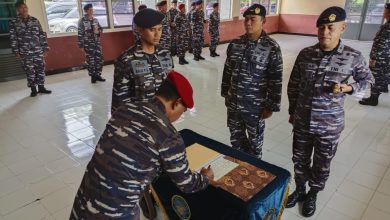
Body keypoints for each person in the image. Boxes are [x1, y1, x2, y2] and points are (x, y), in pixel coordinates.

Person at [70, 71, 214, 220]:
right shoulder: (169, 136)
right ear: (176, 103)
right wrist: (205, 178)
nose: (179, 117)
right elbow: (186, 184)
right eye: (182, 111)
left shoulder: (125, 109)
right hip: (115, 213)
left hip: (81, 206)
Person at [286, 6, 374, 217]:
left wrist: (349, 88)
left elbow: (368, 82)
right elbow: (294, 85)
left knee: (322, 163)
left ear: (342, 27)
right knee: (299, 158)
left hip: (329, 125)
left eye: (330, 27)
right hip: (303, 121)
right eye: (321, 27)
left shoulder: (353, 56)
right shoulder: (306, 54)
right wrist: (292, 111)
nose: (325, 32)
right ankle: (300, 189)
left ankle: (313, 194)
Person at [221, 4, 283, 159]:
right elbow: (228, 71)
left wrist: (271, 106)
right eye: (246, 19)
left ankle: (254, 175)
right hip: (234, 103)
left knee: (255, 146)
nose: (248, 22)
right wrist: (225, 94)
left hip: (255, 107)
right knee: (236, 142)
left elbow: (275, 79)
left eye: (253, 19)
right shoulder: (235, 44)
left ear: (263, 21)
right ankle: (236, 171)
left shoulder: (271, 47)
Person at [111, 8, 173, 113]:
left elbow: (170, 85)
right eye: (152, 30)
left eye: (160, 29)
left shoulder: (165, 54)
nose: (157, 35)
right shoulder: (126, 59)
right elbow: (120, 100)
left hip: (162, 117)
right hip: (139, 120)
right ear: (140, 30)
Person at [9, 2, 51, 97]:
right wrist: (16, 51)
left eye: (25, 7)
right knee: (29, 70)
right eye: (21, 8)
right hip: (25, 51)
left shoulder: (35, 20)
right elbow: (13, 37)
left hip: (37, 50)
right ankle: (33, 89)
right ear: (17, 10)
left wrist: (45, 47)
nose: (24, 9)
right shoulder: (14, 22)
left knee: (40, 69)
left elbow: (41, 34)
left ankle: (41, 87)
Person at [359, 3, 390, 106]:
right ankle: (375, 96)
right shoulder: (387, 24)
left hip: (381, 58)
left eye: (386, 11)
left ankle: (373, 99)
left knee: (375, 77)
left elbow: (383, 44)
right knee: (382, 77)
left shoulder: (388, 26)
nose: (384, 13)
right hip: (385, 57)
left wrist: (374, 57)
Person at [78, 3, 106, 84]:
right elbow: (80, 34)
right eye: (90, 9)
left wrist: (98, 31)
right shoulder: (82, 21)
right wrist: (81, 45)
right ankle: (93, 76)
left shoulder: (95, 20)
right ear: (86, 11)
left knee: (99, 59)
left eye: (92, 9)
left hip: (97, 43)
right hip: (88, 44)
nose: (92, 11)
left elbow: (101, 29)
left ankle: (98, 74)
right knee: (90, 61)